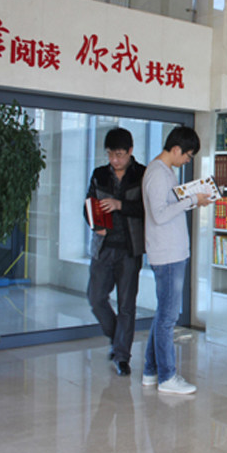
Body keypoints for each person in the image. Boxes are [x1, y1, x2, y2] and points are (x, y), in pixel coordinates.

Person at [141, 126, 211, 395]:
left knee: (164, 314)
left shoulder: (166, 172)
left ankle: (151, 370)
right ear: (176, 149)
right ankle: (167, 377)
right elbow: (159, 215)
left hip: (172, 252)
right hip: (167, 254)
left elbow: (168, 207)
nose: (187, 160)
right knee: (168, 318)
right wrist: (191, 200)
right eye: (188, 155)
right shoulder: (158, 173)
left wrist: (193, 200)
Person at [85, 127, 146, 377]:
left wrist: (120, 205)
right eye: (110, 154)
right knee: (95, 298)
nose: (114, 160)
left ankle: (122, 357)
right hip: (103, 247)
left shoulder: (141, 174)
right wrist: (95, 225)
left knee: (126, 305)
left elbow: (146, 209)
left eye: (119, 154)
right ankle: (117, 337)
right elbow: (88, 205)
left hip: (130, 249)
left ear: (130, 151)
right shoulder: (99, 174)